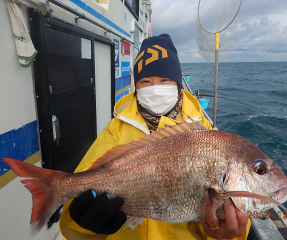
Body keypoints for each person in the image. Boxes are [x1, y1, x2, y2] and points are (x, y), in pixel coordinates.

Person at [59, 34, 250, 240]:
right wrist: (80, 223)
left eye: (164, 80)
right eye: (145, 81)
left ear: (177, 84)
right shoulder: (117, 127)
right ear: (136, 86)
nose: (155, 87)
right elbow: (81, 187)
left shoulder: (205, 135)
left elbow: (234, 220)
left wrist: (227, 233)